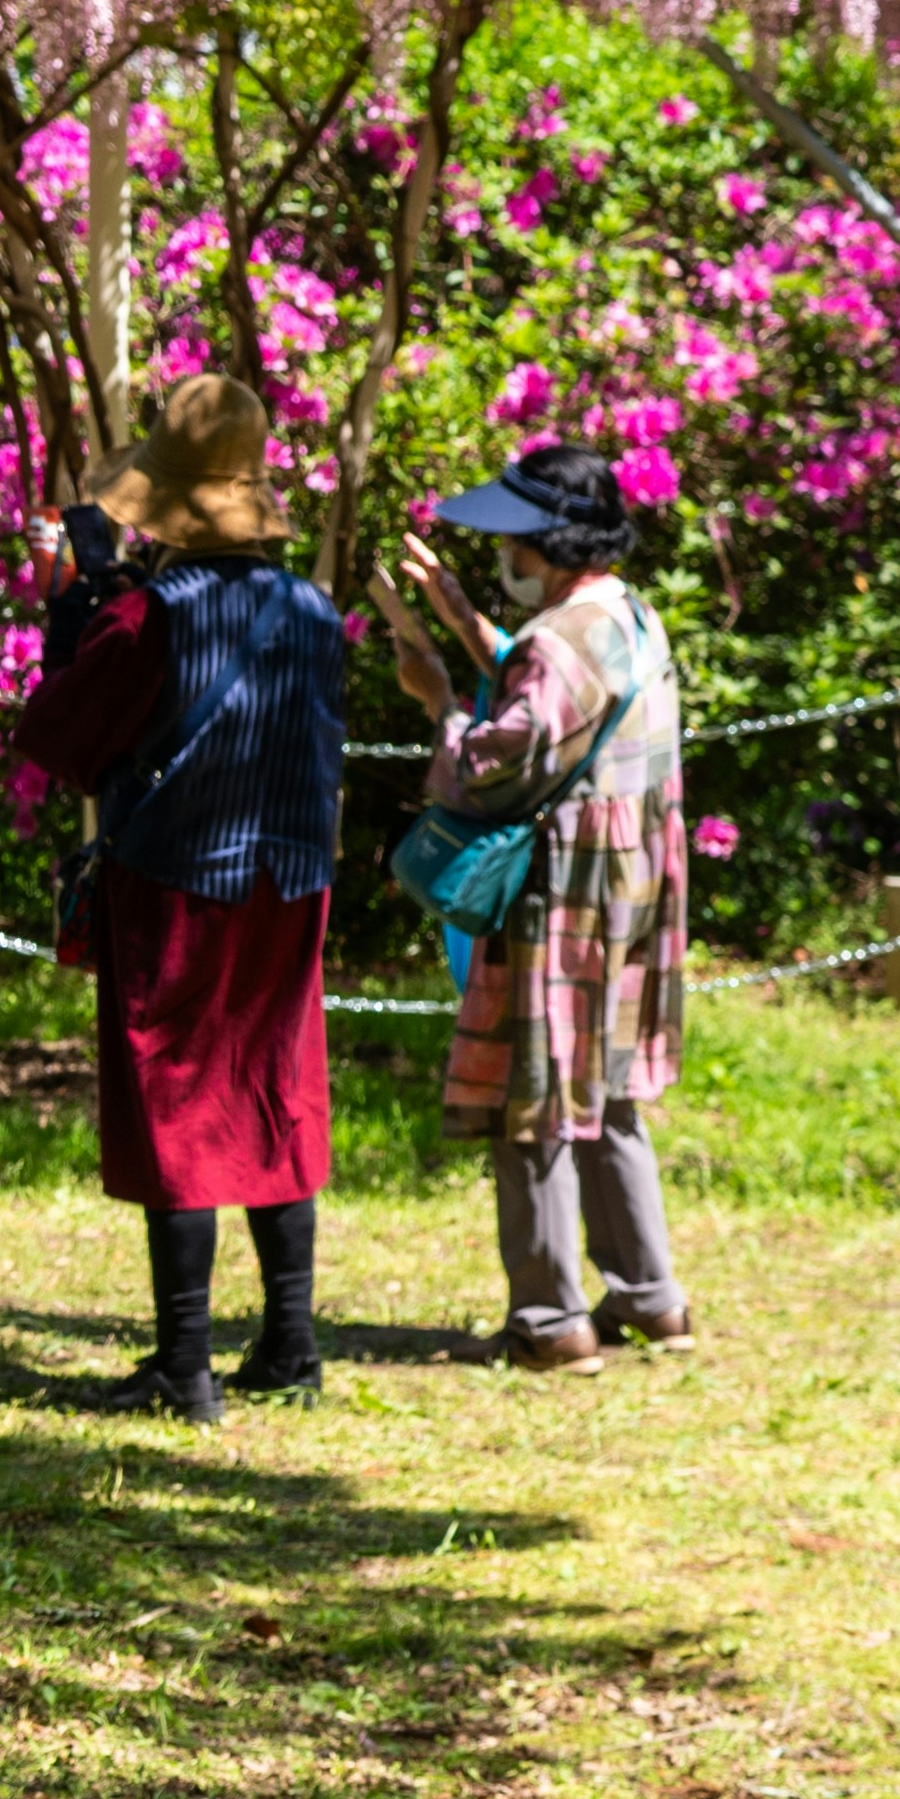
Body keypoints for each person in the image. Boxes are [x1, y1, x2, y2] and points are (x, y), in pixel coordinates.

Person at [4, 372, 353, 1423]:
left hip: (174, 881)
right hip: (290, 881)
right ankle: (290, 1346)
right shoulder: (313, 610)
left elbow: (59, 739)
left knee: (177, 1099)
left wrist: (71, 614)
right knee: (274, 1087)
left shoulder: (145, 615)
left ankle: (184, 1363)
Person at [385, 439, 690, 1369]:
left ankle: (550, 1321)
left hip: (564, 894)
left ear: (550, 544)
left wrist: (438, 698)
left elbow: (493, 766)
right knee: (607, 1089)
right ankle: (649, 1298)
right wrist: (463, 620)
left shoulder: (555, 645)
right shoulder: (626, 615)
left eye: (513, 539)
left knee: (533, 1097)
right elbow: (562, 702)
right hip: (631, 887)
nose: (502, 553)